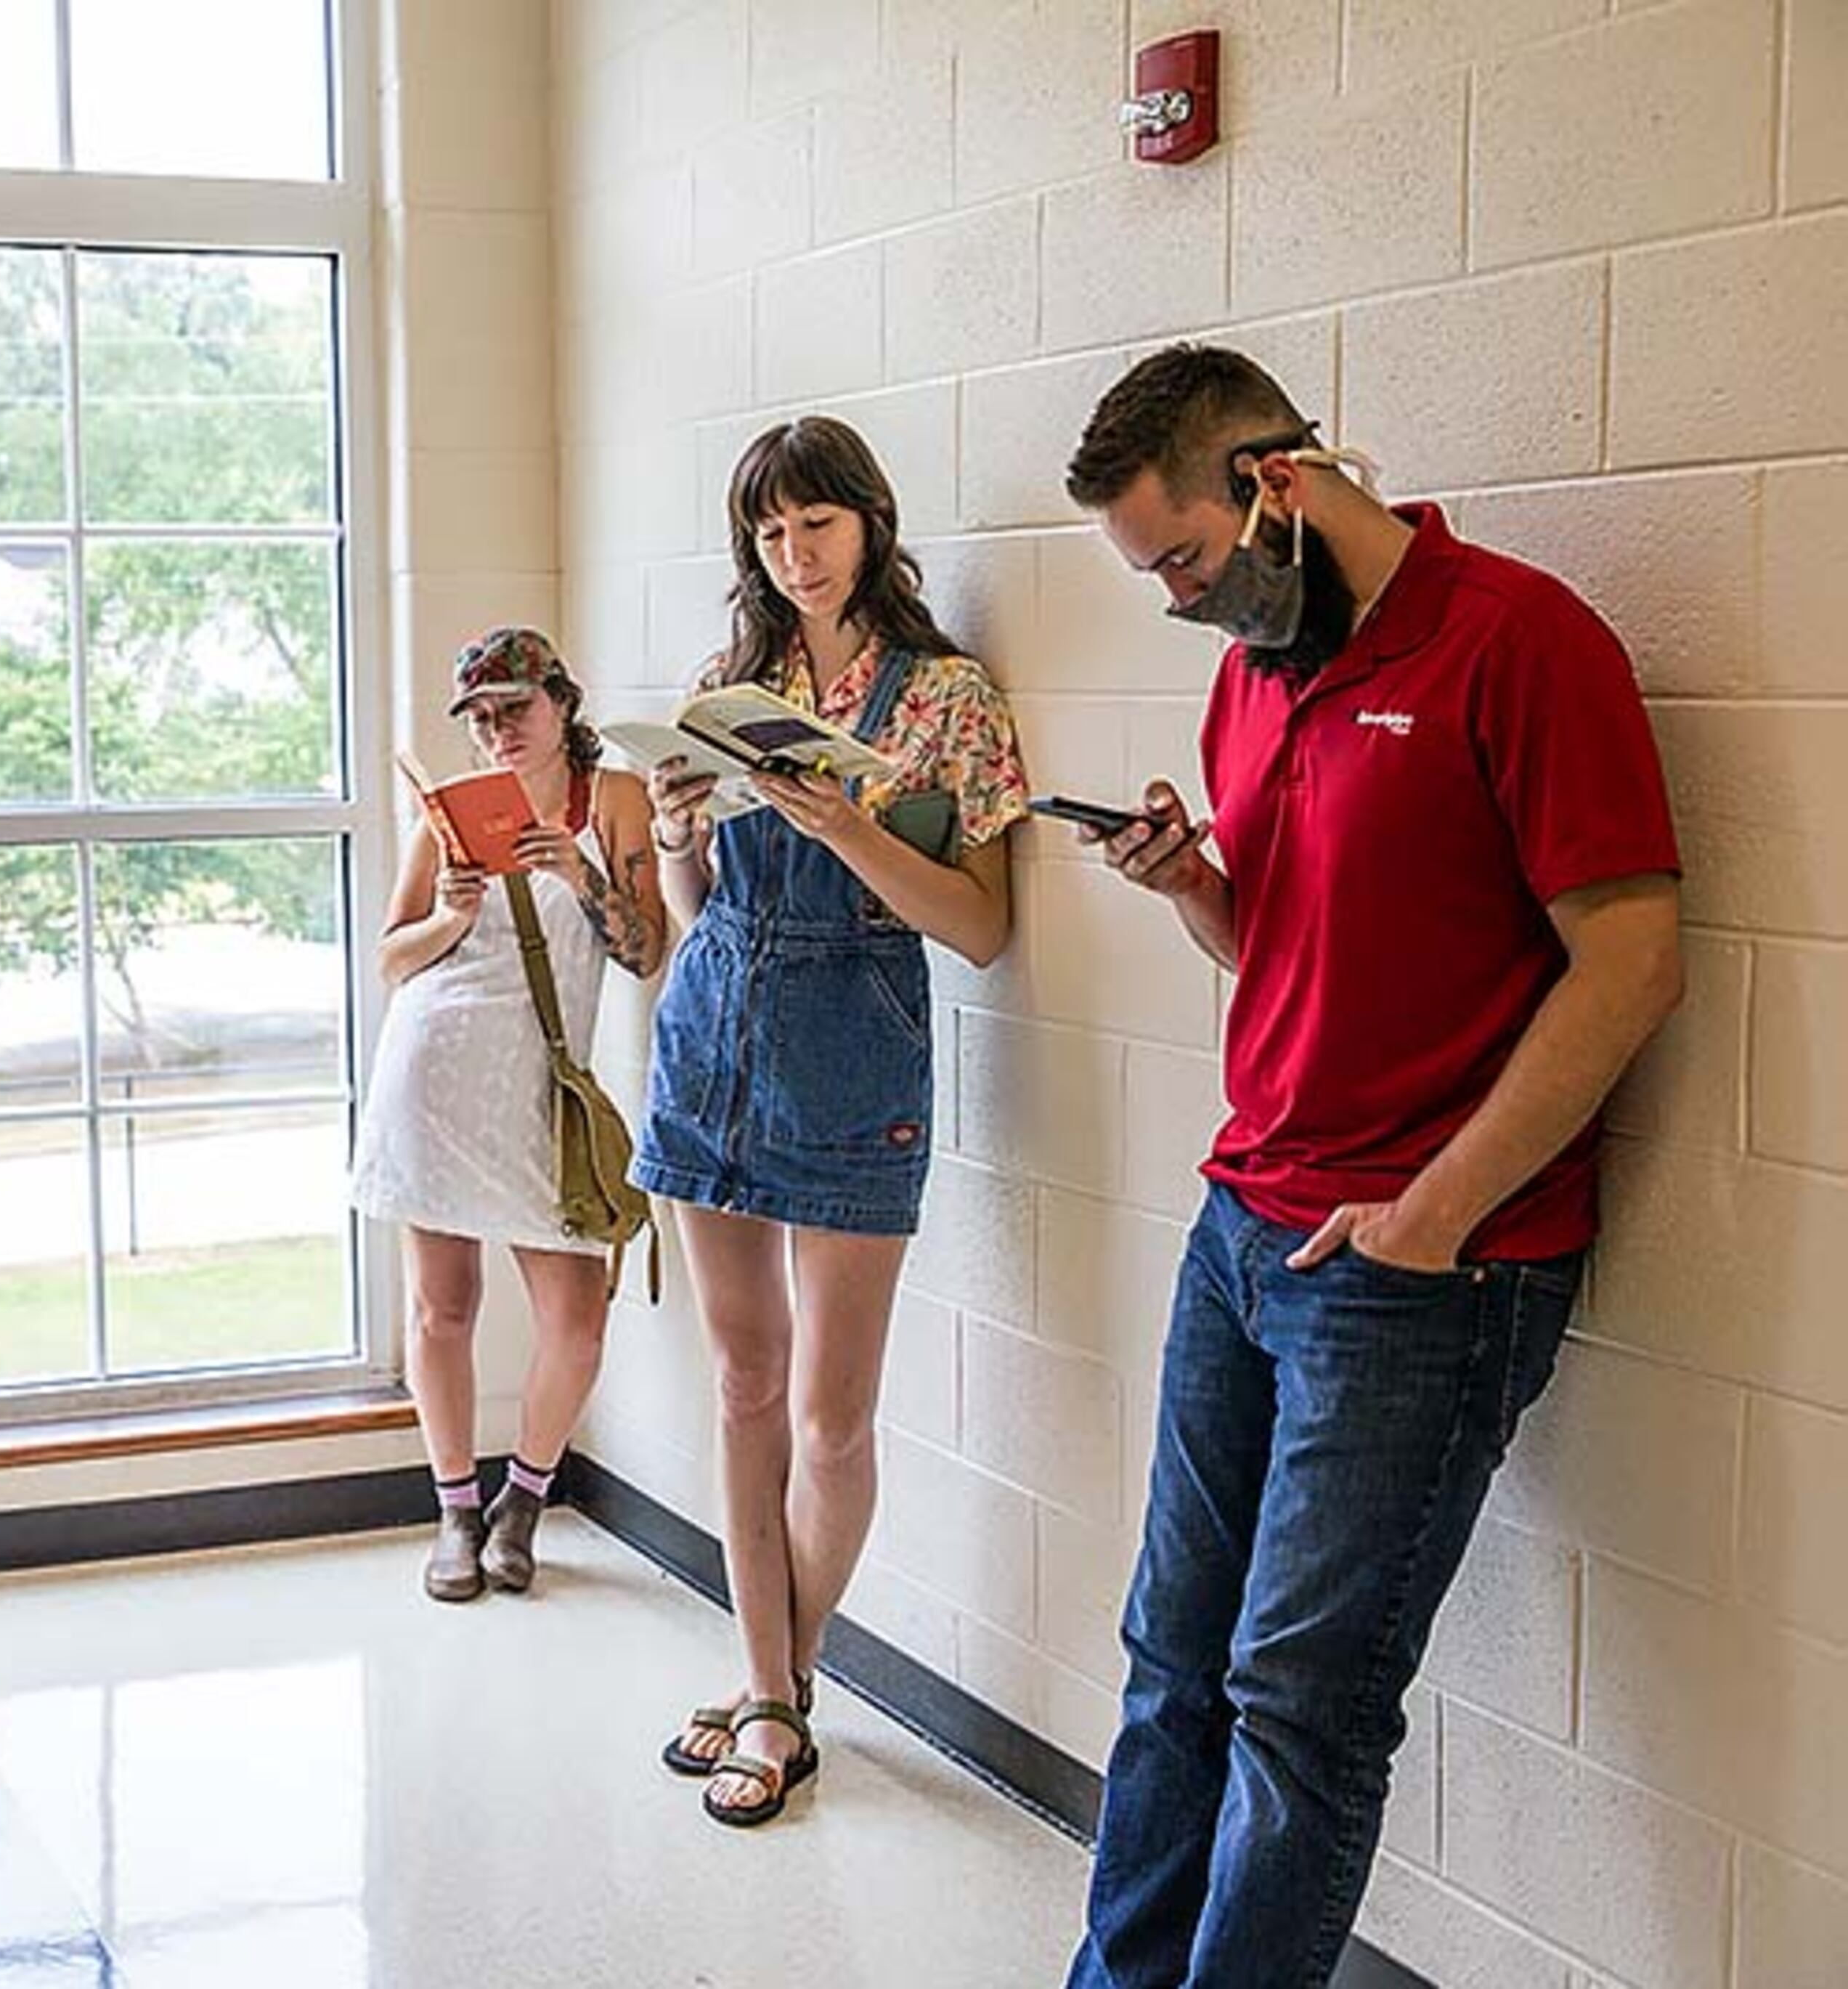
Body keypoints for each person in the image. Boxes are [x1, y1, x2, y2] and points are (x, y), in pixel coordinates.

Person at [1056, 346, 1684, 1988]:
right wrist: (1194, 882)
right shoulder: (1258, 671)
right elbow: (1282, 939)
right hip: (1243, 1222)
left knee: (1299, 1705)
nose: (1181, 602)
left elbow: (1630, 960)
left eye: (1184, 560)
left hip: (1421, 1270)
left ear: (1276, 487)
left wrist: (1432, 1214)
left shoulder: (1522, 640)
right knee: (1170, 1665)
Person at [637, 417, 1028, 1828]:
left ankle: (772, 1686)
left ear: (872, 521)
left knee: (830, 1410)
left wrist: (847, 824)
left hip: (856, 1047)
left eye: (817, 524)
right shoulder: (728, 684)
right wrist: (682, 833)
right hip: (712, 1040)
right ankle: (769, 1685)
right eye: (769, 532)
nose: (793, 555)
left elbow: (980, 928)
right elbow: (696, 917)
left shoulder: (946, 700)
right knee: (741, 1385)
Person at [351, 628, 667, 1602]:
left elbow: (647, 950)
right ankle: (454, 1510)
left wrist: (575, 874)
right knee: (441, 1308)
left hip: (541, 1091)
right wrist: (452, 911)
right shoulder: (449, 817)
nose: (497, 733)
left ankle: (522, 1500)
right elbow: (394, 961)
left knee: (575, 1319)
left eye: (514, 711)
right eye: (480, 719)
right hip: (434, 1076)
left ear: (563, 701)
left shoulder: (612, 801)